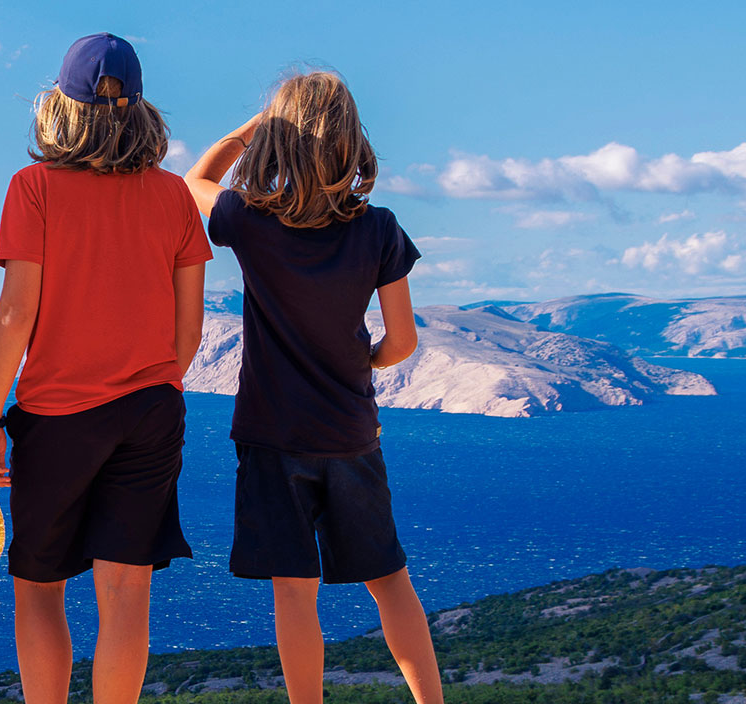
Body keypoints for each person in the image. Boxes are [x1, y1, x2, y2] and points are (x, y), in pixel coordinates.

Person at [174, 67, 445, 704]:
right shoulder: (378, 229)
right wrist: (362, 364)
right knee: (390, 581)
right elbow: (402, 343)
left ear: (277, 143)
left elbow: (195, 183)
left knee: (294, 591)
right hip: (351, 432)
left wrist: (251, 128)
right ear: (352, 142)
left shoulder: (249, 220)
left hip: (272, 435)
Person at [0, 33, 208, 704]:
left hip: (57, 418)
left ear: (60, 107)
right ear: (138, 107)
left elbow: (14, 316)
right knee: (127, 594)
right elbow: (190, 329)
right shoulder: (174, 197)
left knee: (40, 588)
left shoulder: (33, 188)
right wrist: (151, 382)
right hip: (153, 411)